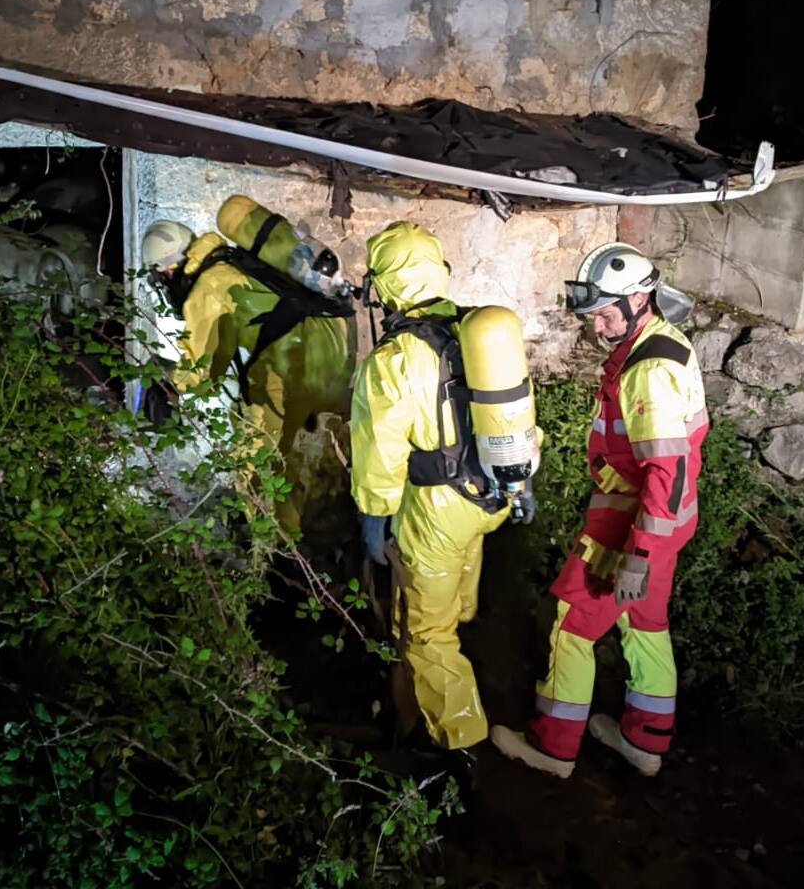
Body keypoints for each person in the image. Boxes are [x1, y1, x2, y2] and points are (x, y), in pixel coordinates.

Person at [492, 242, 707, 779]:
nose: (597, 327)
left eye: (606, 314)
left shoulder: (648, 371)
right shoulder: (662, 341)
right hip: (665, 523)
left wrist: (637, 554)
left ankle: (552, 746)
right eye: (592, 317)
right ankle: (645, 740)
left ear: (639, 298)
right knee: (645, 623)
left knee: (572, 626)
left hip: (631, 524)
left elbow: (666, 469)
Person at [351, 221, 535, 753]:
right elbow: (518, 408)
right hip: (490, 496)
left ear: (383, 287)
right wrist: (523, 484)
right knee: (455, 593)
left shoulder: (394, 359)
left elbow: (379, 453)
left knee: (425, 633)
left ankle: (463, 745)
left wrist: (372, 519)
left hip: (437, 512)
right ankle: (461, 636)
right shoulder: (475, 332)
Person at [140, 216, 355, 532]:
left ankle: (274, 550)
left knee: (255, 465)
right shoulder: (233, 261)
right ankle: (321, 528)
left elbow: (201, 369)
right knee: (293, 457)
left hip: (287, 368)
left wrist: (167, 385)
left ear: (169, 270)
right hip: (326, 355)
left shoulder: (208, 287)